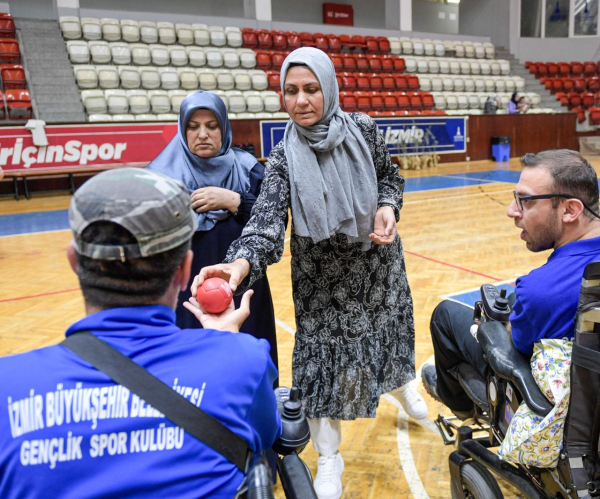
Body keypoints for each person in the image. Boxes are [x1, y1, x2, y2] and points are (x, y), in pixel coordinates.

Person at [191, 47, 427, 499]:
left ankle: (398, 384)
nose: (300, 100)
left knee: (386, 335)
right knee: (319, 371)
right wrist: (238, 264)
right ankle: (329, 457)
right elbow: (265, 223)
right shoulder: (283, 158)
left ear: (329, 88)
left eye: (311, 89)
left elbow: (390, 177)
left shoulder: (364, 129)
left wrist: (387, 206)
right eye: (291, 91)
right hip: (322, 285)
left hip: (378, 266)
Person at [0, 168, 281, 498]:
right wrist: (225, 346)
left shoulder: (8, 387)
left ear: (74, 261)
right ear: (184, 269)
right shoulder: (244, 361)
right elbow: (265, 438)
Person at [421, 150, 600, 419]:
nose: (511, 211)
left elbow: (515, 349)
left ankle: (461, 406)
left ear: (570, 210)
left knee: (445, 316)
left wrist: (499, 327)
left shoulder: (540, 290)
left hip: (571, 407)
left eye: (526, 201)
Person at [146, 91, 277, 369]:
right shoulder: (159, 178)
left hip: (243, 285)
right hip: (186, 291)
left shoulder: (250, 170)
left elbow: (274, 223)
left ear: (224, 128)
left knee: (248, 365)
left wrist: (235, 201)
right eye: (193, 127)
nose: (203, 134)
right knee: (191, 368)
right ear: (183, 130)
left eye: (212, 125)